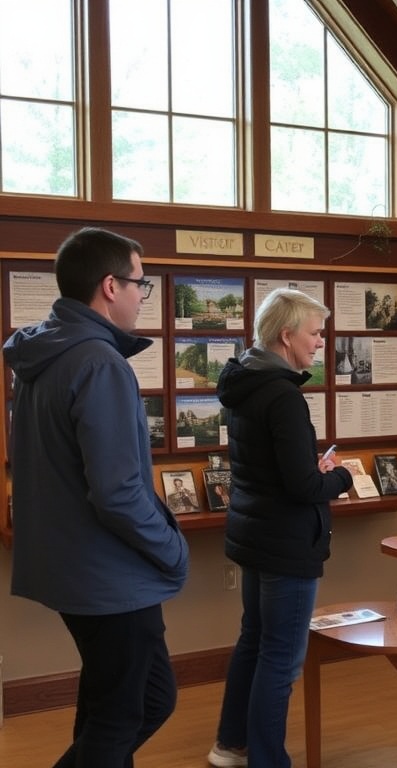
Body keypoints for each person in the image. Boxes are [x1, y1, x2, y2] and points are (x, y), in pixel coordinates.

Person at [2, 226, 190, 766]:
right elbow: (117, 493)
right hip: (109, 576)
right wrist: (171, 547)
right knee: (124, 714)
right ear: (111, 287)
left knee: (126, 704)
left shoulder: (48, 353)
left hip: (76, 569)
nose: (141, 297)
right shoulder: (98, 363)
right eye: (140, 284)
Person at [209, 288, 353, 768]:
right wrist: (343, 476)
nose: (319, 343)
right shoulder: (284, 396)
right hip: (286, 543)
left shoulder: (244, 383)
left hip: (254, 535)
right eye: (314, 333)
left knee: (254, 640)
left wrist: (306, 468)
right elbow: (302, 486)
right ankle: (268, 760)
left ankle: (231, 744)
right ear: (287, 335)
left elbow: (269, 466)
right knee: (281, 659)